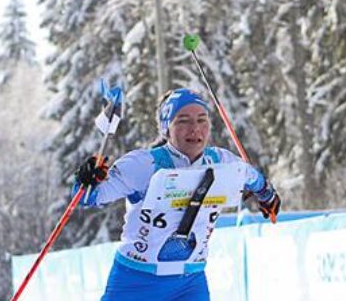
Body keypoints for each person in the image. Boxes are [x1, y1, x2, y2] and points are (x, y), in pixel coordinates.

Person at [73, 87, 281, 301]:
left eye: (202, 120)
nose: (195, 129)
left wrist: (267, 195)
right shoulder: (143, 164)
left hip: (189, 282)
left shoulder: (222, 162)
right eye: (183, 121)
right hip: (135, 281)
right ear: (166, 128)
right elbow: (88, 197)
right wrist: (87, 178)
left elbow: (252, 176)